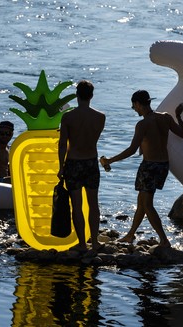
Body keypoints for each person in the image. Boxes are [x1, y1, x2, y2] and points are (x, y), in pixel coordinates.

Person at [101, 90, 183, 248]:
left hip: (149, 166)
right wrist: (179, 117)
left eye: (134, 106)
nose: (134, 109)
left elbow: (132, 150)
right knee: (142, 202)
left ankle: (164, 240)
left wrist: (110, 160)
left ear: (138, 104)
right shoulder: (166, 118)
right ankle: (130, 235)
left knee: (147, 205)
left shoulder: (142, 124)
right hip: (163, 165)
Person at [58, 80, 106, 252]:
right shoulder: (100, 117)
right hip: (91, 162)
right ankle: (94, 242)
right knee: (94, 204)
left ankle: (81, 244)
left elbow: (63, 144)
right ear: (91, 96)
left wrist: (60, 167)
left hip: (73, 163)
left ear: (76, 95)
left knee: (76, 205)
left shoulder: (68, 117)